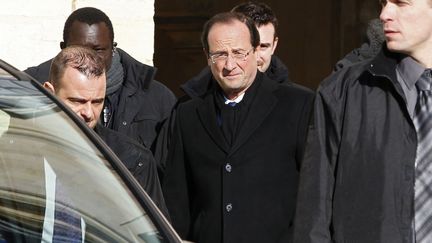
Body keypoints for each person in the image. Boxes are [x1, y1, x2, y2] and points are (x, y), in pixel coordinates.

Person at [162, 12, 314, 243]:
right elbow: (177, 199)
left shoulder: (298, 105)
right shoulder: (188, 113)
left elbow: (313, 192)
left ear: (255, 51)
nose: (230, 65)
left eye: (239, 53)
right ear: (207, 57)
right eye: (220, 55)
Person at [294, 0, 432, 242]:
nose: (384, 14)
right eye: (383, 2)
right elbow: (314, 212)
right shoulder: (341, 92)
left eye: (401, 3)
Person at [154, 1, 291, 177]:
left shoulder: (295, 105)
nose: (255, 56)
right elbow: (167, 173)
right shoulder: (187, 109)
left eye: (262, 46)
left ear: (274, 45)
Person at [25, 7, 176, 152]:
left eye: (98, 50)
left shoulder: (157, 98)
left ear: (113, 48)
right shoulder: (31, 88)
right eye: (77, 100)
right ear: (63, 47)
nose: (89, 57)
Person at [43, 46, 168, 217]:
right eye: (77, 101)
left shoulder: (133, 160)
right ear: (49, 94)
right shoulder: (17, 152)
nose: (88, 113)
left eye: (96, 102)